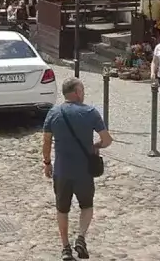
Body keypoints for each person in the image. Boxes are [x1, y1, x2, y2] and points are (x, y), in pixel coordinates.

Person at [42, 78, 113, 260]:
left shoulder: (53, 113)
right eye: (82, 90)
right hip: (84, 172)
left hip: (62, 171)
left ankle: (65, 247)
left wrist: (47, 163)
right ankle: (81, 237)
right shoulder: (90, 112)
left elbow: (46, 141)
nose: (83, 93)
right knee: (87, 206)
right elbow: (107, 140)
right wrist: (95, 146)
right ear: (76, 92)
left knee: (62, 209)